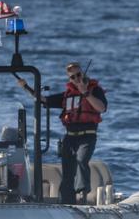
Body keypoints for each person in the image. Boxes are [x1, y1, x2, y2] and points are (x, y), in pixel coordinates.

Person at [17, 61, 107, 204]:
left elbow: (101, 108)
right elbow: (44, 100)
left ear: (83, 74)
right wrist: (26, 87)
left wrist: (86, 93)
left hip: (87, 136)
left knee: (81, 160)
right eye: (73, 77)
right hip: (70, 137)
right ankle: (67, 202)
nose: (77, 79)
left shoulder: (95, 90)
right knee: (68, 171)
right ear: (69, 79)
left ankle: (82, 196)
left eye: (79, 75)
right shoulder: (67, 95)